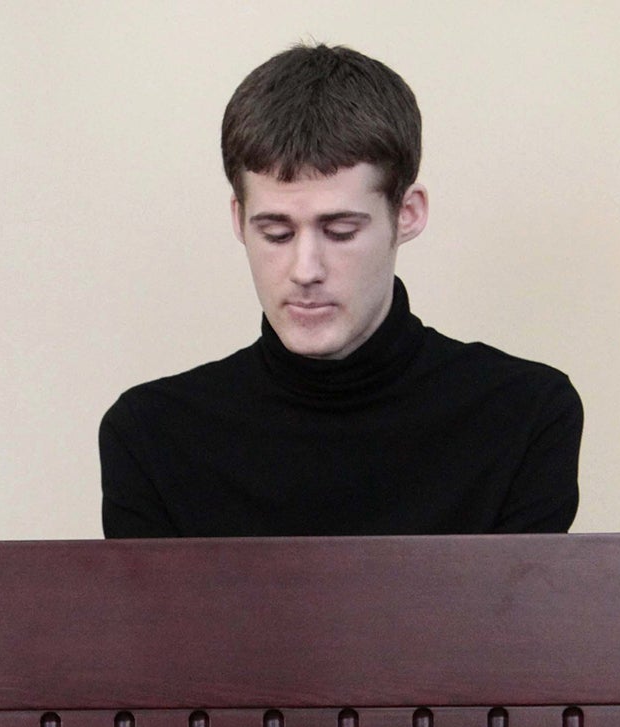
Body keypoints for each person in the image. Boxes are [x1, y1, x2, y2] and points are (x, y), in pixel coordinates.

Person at [100, 42, 583, 538]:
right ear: (238, 220)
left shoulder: (525, 415)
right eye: (276, 233)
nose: (305, 270)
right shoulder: (150, 435)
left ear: (408, 214)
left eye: (341, 231)